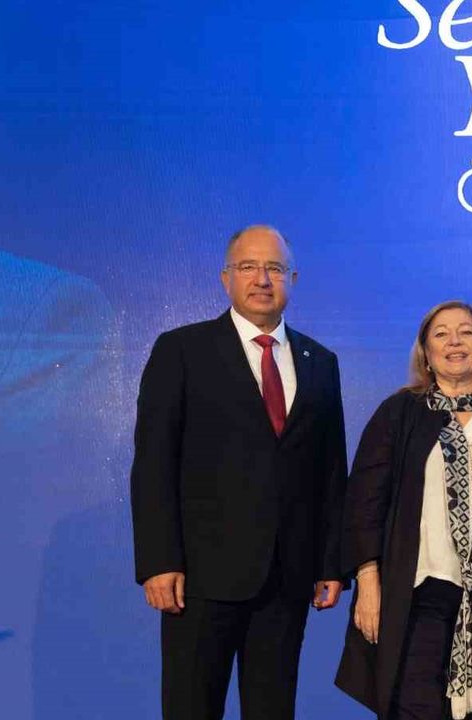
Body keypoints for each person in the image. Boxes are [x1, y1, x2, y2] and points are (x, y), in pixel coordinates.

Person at [130, 225, 348, 720]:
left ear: (293, 279)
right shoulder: (181, 350)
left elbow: (331, 471)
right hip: (199, 579)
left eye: (274, 268)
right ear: (225, 278)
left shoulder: (321, 362)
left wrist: (330, 563)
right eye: (248, 267)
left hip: (287, 578)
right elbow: (154, 463)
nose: (262, 279)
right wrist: (159, 560)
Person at [334, 301, 472, 720]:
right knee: (415, 709)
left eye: (466, 332)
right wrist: (368, 581)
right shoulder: (400, 413)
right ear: (425, 352)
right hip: (421, 591)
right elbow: (364, 502)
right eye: (441, 334)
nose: (454, 342)